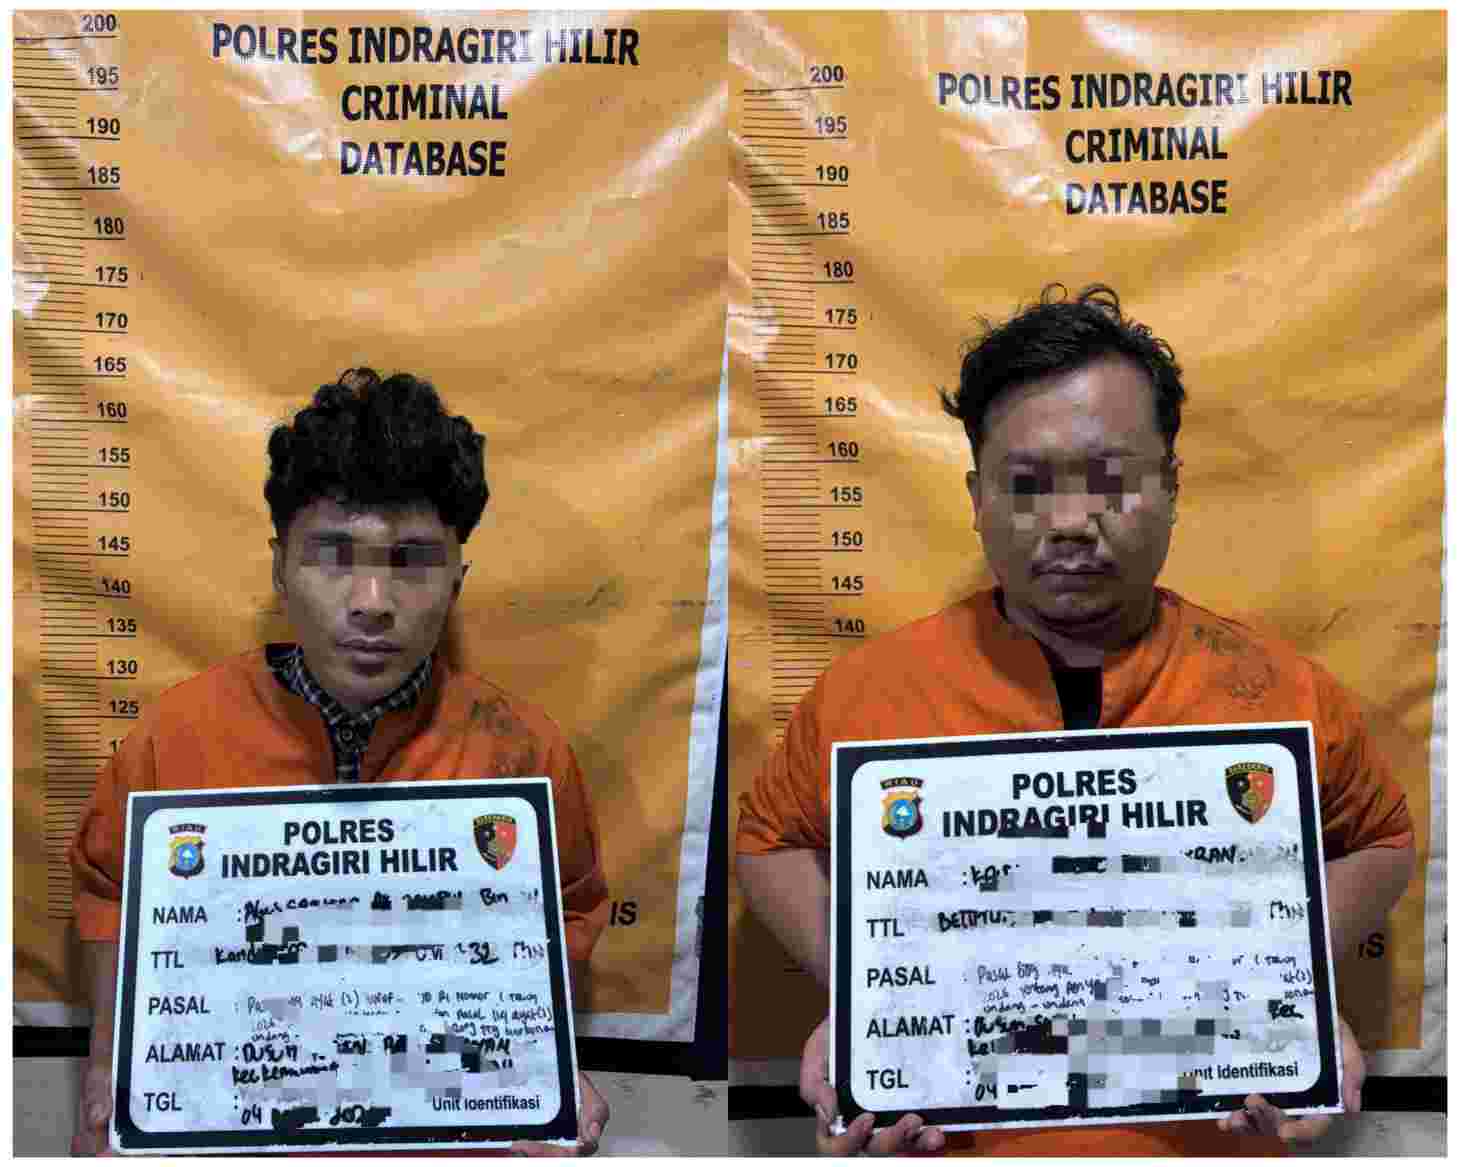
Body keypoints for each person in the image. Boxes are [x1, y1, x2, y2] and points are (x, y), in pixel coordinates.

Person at [735, 285, 1416, 1156]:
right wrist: (869, 993)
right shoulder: (868, 694)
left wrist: (1292, 983)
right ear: (977, 495)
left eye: (1111, 481)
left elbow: (1382, 838)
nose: (1069, 523)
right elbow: (767, 840)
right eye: (1026, 486)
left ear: (1170, 487)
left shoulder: (1279, 693)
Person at [69, 369, 611, 1156]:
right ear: (279, 566)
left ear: (458, 579)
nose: (372, 601)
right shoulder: (173, 738)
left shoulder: (523, 753)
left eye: (412, 559)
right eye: (332, 554)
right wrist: (108, 1060)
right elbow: (110, 893)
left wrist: (543, 1066)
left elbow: (565, 913)